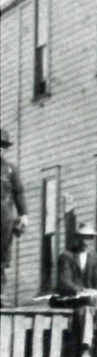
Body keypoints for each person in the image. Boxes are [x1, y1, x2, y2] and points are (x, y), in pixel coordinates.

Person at [51, 222, 97, 357]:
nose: (86, 242)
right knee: (89, 306)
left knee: (87, 309)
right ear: (77, 238)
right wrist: (82, 291)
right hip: (69, 298)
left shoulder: (96, 258)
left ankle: (86, 349)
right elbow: (65, 281)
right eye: (83, 238)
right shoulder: (66, 256)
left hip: (88, 303)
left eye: (90, 238)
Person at [0, 127, 28, 305]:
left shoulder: (10, 169)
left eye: (3, 146)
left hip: (4, 213)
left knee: (1, 256)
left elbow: (19, 192)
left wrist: (24, 214)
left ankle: (0, 294)